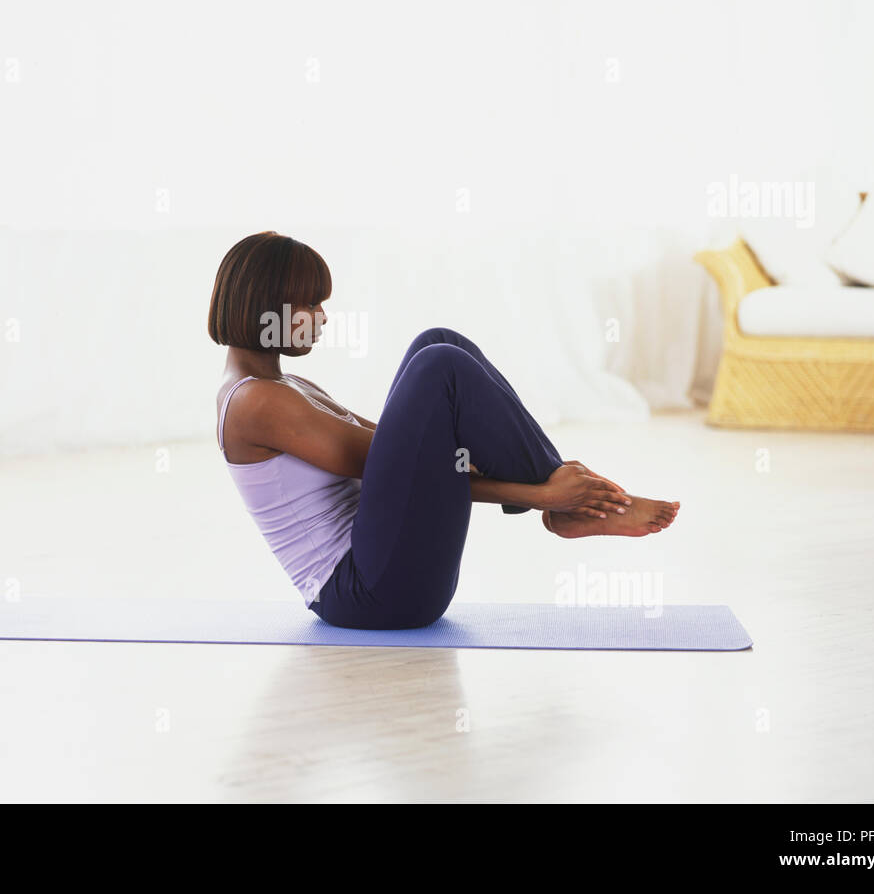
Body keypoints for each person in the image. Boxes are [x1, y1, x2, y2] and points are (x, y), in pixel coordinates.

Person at [209, 231, 679, 630]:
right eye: (310, 305)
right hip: (371, 595)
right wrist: (540, 497)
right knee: (440, 364)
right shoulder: (256, 402)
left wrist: (453, 445)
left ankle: (563, 491)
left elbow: (409, 462)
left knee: (436, 344)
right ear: (268, 307)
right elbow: (407, 470)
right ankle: (563, 497)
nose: (323, 318)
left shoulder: (286, 385)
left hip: (389, 570)